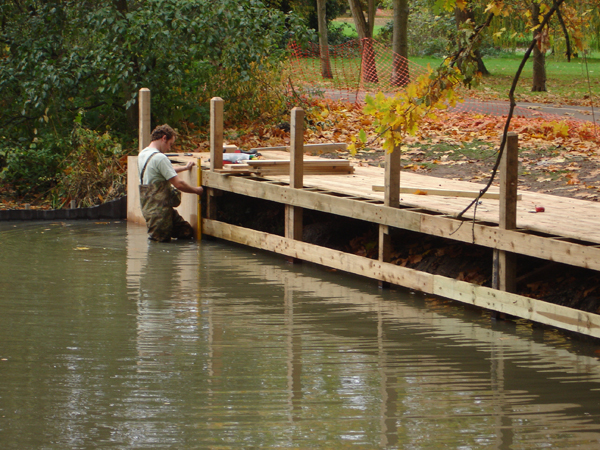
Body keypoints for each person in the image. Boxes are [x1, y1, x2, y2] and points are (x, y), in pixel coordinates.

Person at [138, 124, 203, 242]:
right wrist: (196, 190)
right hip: (159, 213)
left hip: (151, 209)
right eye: (170, 144)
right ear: (164, 138)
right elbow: (179, 184)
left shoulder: (143, 154)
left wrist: (184, 168)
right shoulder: (160, 158)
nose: (169, 148)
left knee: (186, 231)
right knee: (159, 243)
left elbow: (162, 171)